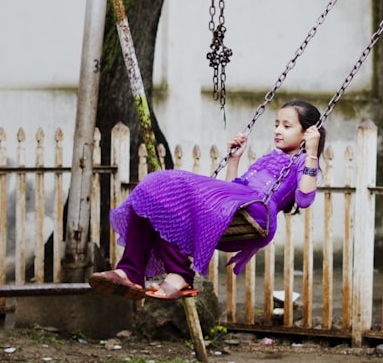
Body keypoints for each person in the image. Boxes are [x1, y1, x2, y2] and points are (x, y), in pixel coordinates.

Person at [89, 99, 326, 300]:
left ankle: (179, 273)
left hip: (257, 212)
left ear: (307, 133)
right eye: (276, 124)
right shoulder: (267, 158)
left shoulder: (302, 163)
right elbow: (232, 188)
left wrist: (312, 153)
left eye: (286, 126)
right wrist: (234, 160)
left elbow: (305, 199)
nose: (277, 130)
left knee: (168, 182)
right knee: (155, 200)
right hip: (235, 204)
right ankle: (130, 271)